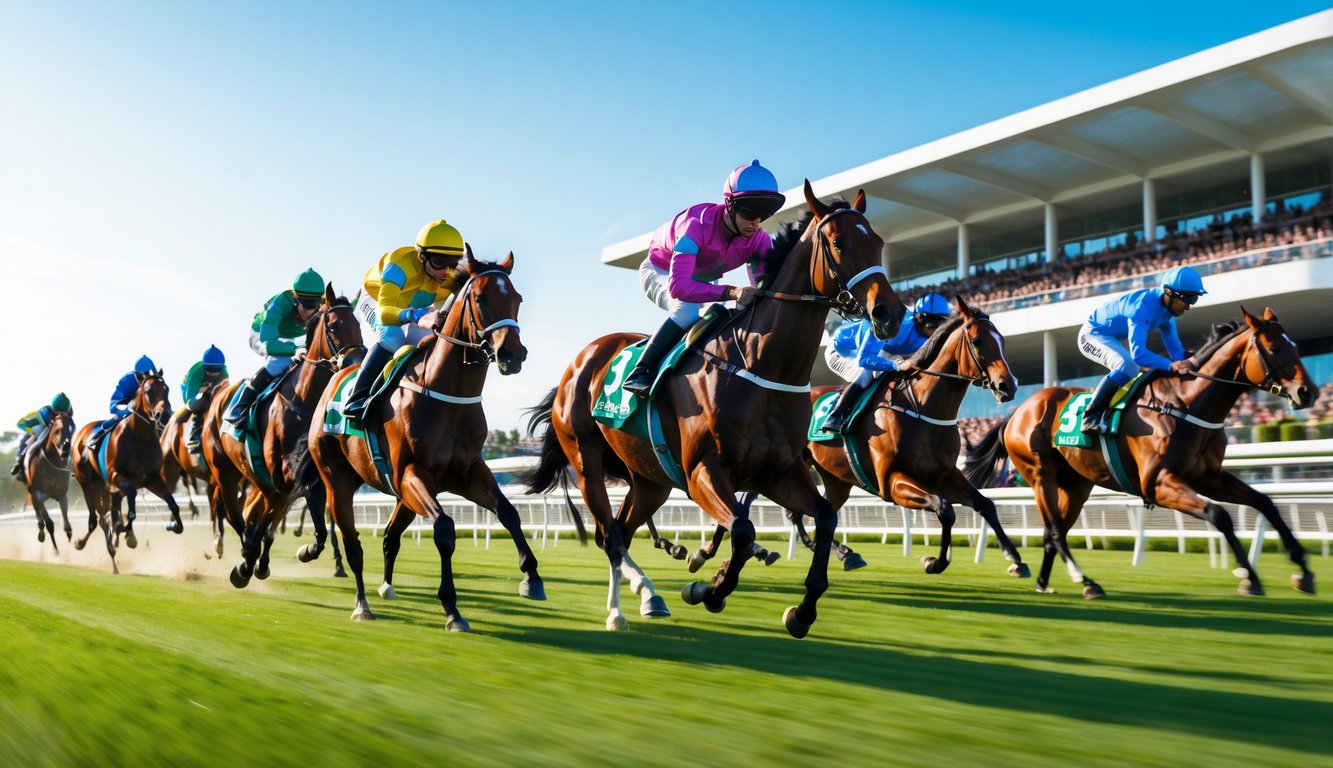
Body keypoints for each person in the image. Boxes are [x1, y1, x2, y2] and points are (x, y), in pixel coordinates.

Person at [623, 160, 786, 396]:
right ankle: (640, 371)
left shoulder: (759, 239)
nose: (755, 223)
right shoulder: (696, 226)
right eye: (750, 212)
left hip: (702, 280)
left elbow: (760, 288)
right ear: (730, 204)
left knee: (728, 318)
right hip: (661, 271)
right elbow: (679, 287)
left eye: (763, 215)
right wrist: (731, 292)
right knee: (687, 312)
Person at [343, 218, 465, 419]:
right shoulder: (399, 266)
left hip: (412, 305)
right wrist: (415, 316)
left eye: (452, 264)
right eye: (439, 262)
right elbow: (385, 313)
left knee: (427, 344)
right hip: (377, 299)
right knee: (393, 338)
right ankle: (357, 397)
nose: (447, 272)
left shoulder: (446, 276)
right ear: (422, 256)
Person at [1076, 265, 1204, 435]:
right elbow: (1139, 355)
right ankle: (1090, 417)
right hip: (1091, 334)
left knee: (1131, 366)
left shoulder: (1168, 315)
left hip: (1108, 336)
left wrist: (1196, 358)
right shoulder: (1141, 307)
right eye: (1187, 299)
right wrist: (1170, 365)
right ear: (1168, 293)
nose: (1189, 306)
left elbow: (1178, 354)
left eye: (1194, 299)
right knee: (1128, 365)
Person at [820, 292, 951, 433]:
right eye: (932, 325)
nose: (936, 332)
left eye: (941, 326)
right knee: (866, 376)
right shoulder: (891, 324)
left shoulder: (930, 335)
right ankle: (836, 416)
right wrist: (897, 365)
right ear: (919, 318)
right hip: (843, 352)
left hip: (885, 350)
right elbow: (864, 360)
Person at [225, 269, 325, 426]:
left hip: (291, 338)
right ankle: (239, 407)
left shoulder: (318, 306)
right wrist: (294, 350)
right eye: (307, 304)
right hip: (263, 335)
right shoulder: (279, 304)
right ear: (295, 298)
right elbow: (269, 344)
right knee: (279, 361)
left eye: (316, 304)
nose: (313, 311)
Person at [89, 355, 158, 444]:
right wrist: (127, 409)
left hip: (146, 414)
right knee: (117, 418)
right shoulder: (128, 380)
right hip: (125, 409)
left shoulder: (155, 384)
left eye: (151, 375)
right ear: (138, 375)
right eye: (146, 375)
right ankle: (97, 438)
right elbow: (113, 405)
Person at [180, 345, 229, 451]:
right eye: (210, 369)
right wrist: (203, 390)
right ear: (204, 366)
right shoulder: (195, 374)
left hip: (209, 388)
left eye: (217, 370)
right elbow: (189, 401)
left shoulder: (224, 373)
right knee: (199, 404)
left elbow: (224, 393)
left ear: (222, 368)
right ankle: (194, 434)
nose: (213, 373)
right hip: (189, 389)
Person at [11, 393, 72, 476]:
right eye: (59, 413)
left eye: (63, 414)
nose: (61, 416)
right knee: (38, 433)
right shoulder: (42, 414)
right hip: (40, 429)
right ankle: (19, 462)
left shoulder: (66, 415)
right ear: (54, 410)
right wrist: (32, 432)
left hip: (54, 432)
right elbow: (20, 423)